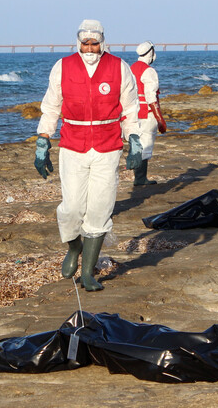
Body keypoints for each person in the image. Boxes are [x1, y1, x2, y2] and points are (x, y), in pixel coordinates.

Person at [34, 19, 142, 292]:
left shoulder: (119, 68)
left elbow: (130, 108)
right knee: (71, 209)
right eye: (85, 43)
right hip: (73, 146)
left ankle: (88, 273)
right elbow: (51, 107)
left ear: (103, 42)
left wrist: (134, 140)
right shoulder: (63, 67)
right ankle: (74, 247)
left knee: (100, 208)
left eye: (95, 43)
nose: (90, 49)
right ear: (78, 42)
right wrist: (43, 140)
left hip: (108, 147)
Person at [130, 41, 167, 186]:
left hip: (133, 113)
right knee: (145, 145)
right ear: (151, 53)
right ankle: (140, 179)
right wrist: (160, 119)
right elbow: (151, 97)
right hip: (146, 114)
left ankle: (138, 177)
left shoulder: (130, 68)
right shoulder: (149, 71)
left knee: (136, 144)